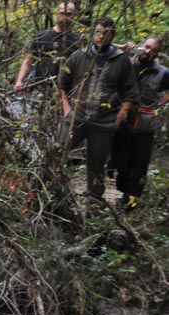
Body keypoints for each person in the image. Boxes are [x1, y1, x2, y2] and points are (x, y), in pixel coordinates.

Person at [58, 17, 139, 199]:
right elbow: (62, 83)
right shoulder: (79, 56)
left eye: (106, 33)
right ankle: (51, 193)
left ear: (113, 36)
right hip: (76, 117)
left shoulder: (122, 60)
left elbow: (130, 93)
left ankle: (94, 205)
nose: (101, 37)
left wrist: (120, 116)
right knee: (58, 152)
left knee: (96, 168)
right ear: (93, 33)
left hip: (104, 123)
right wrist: (67, 109)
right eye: (98, 32)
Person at [111, 38, 169, 210]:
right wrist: (123, 48)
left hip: (144, 124)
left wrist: (159, 103)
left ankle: (131, 201)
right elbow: (102, 47)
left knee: (139, 163)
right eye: (146, 47)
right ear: (140, 45)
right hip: (121, 119)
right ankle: (121, 191)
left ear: (157, 54)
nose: (148, 52)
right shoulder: (124, 62)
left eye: (153, 51)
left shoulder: (161, 72)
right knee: (120, 159)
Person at [14, 3, 83, 94]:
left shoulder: (78, 39)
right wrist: (19, 81)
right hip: (42, 88)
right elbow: (29, 60)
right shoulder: (42, 36)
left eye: (68, 14)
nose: (65, 17)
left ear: (74, 16)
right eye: (62, 13)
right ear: (57, 14)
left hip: (68, 91)